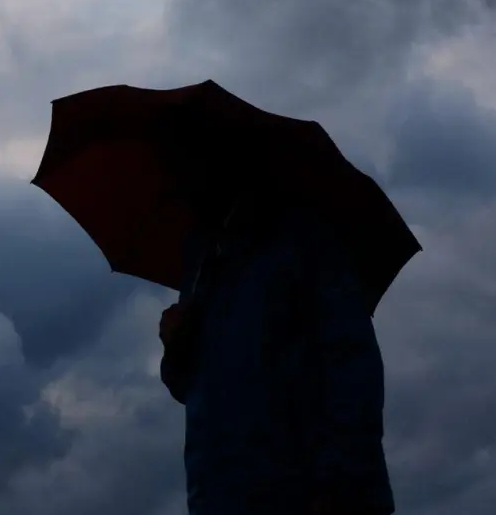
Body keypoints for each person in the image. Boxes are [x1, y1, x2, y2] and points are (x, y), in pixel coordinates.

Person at [158, 183, 396, 515]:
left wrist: (340, 485)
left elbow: (350, 363)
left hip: (305, 493)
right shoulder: (203, 257)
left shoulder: (301, 236)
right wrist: (177, 349)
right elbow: (199, 386)